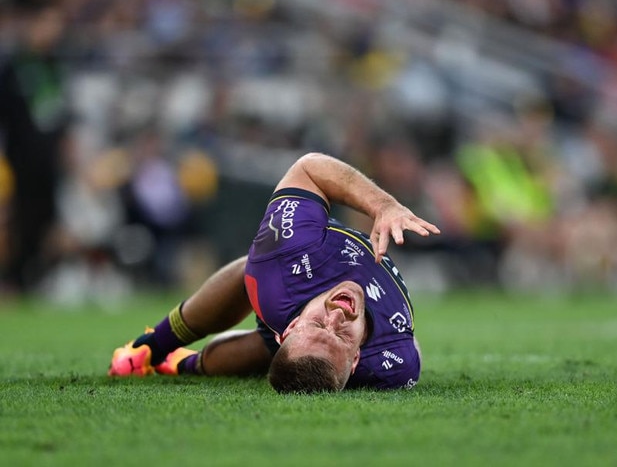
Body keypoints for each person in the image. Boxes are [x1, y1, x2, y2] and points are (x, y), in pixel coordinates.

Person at [109, 152, 440, 392]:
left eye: (319, 326)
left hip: (285, 296)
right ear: (355, 361)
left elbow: (309, 169)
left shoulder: (283, 265)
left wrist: (382, 206)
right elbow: (411, 350)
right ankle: (158, 351)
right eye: (340, 336)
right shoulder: (392, 362)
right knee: (259, 296)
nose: (336, 317)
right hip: (291, 312)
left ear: (291, 328)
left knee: (252, 284)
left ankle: (164, 355)